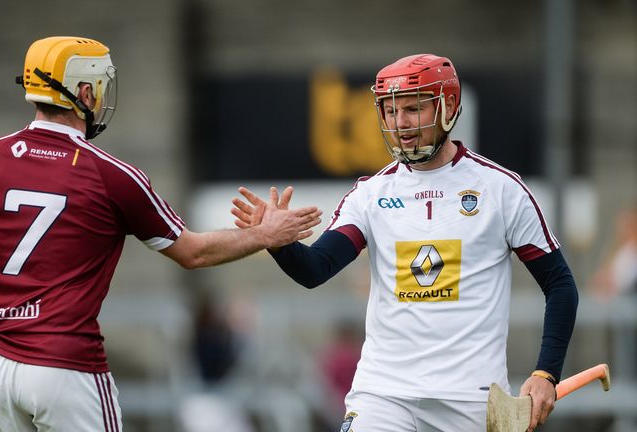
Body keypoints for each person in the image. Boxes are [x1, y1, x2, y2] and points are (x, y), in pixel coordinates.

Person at [0, 36, 321, 432]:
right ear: (82, 91)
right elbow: (193, 252)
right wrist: (263, 235)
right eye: (98, 85)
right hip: (65, 366)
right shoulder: (111, 175)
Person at [232, 54, 579, 432]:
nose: (401, 123)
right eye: (391, 110)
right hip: (383, 394)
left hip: (470, 399)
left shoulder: (501, 190)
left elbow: (560, 285)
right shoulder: (370, 194)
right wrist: (277, 242)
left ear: (448, 106)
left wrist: (546, 374)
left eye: (414, 109)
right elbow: (315, 270)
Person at [589, 206, 637, 301]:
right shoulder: (617, 249)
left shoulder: (632, 249)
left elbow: (624, 281)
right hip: (611, 302)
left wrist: (609, 282)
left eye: (627, 224)